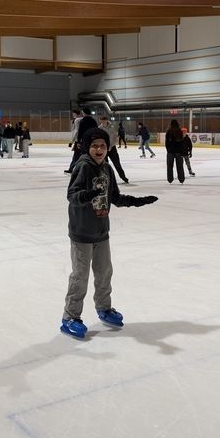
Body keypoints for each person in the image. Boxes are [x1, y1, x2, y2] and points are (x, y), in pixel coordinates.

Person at [60, 127, 158, 339]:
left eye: (103, 146)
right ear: (87, 148)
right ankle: (70, 317)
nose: (99, 149)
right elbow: (72, 195)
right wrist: (90, 194)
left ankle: (104, 308)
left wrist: (137, 202)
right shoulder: (83, 167)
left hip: (101, 231)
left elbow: (115, 197)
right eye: (94, 146)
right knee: (80, 277)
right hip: (82, 232)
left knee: (104, 273)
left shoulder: (107, 168)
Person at [99, 117, 128, 183]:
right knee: (105, 165)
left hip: (112, 149)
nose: (103, 122)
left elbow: (115, 138)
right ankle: (107, 179)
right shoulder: (99, 128)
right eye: (102, 120)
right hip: (104, 149)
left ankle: (123, 177)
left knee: (117, 163)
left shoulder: (112, 128)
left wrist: (111, 146)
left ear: (107, 120)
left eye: (105, 120)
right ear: (100, 121)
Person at [165, 119, 186, 184]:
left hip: (170, 152)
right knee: (180, 166)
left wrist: (168, 150)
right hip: (178, 152)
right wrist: (182, 151)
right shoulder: (179, 131)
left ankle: (170, 179)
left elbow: (167, 142)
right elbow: (182, 142)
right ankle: (181, 179)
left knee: (169, 166)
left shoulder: (168, 131)